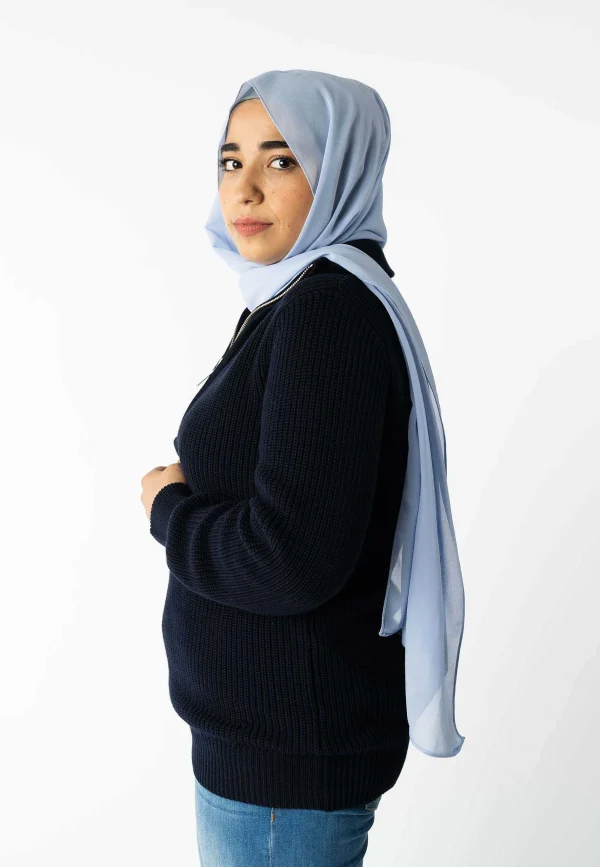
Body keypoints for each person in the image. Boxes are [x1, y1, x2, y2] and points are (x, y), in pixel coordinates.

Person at [142, 69, 465, 866]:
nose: (244, 186)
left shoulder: (327, 311)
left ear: (344, 167)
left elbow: (287, 558)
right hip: (269, 754)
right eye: (231, 159)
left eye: (281, 160)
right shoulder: (292, 299)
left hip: (283, 768)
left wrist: (169, 510)